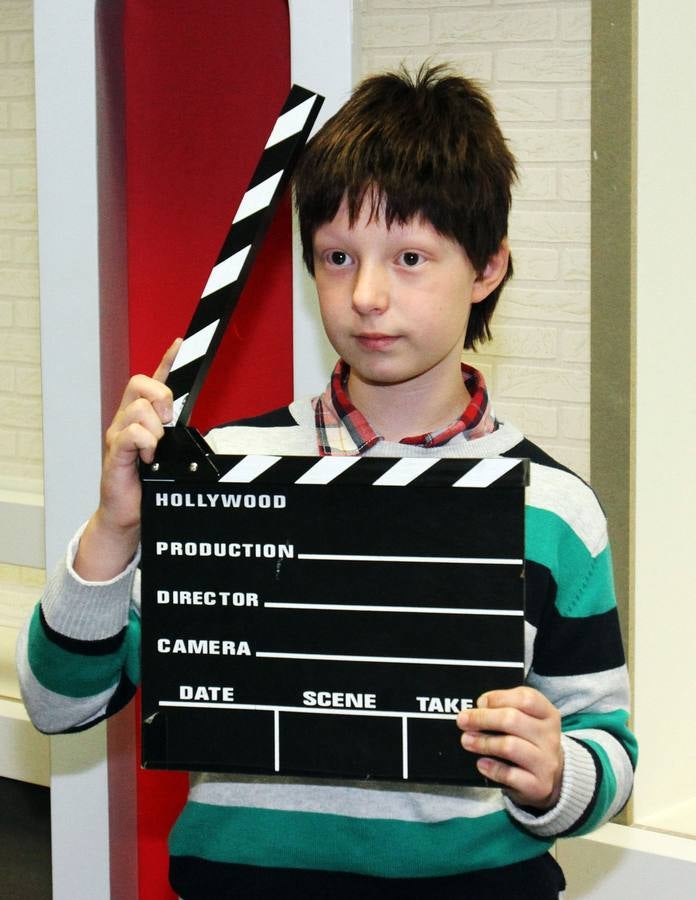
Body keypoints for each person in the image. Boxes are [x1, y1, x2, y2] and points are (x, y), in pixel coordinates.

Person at [17, 64, 636, 899]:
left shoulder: (552, 506)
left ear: (487, 268)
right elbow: (61, 705)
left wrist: (556, 770)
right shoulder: (223, 473)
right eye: (338, 257)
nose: (369, 295)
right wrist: (114, 531)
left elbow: (609, 746)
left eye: (411, 257)